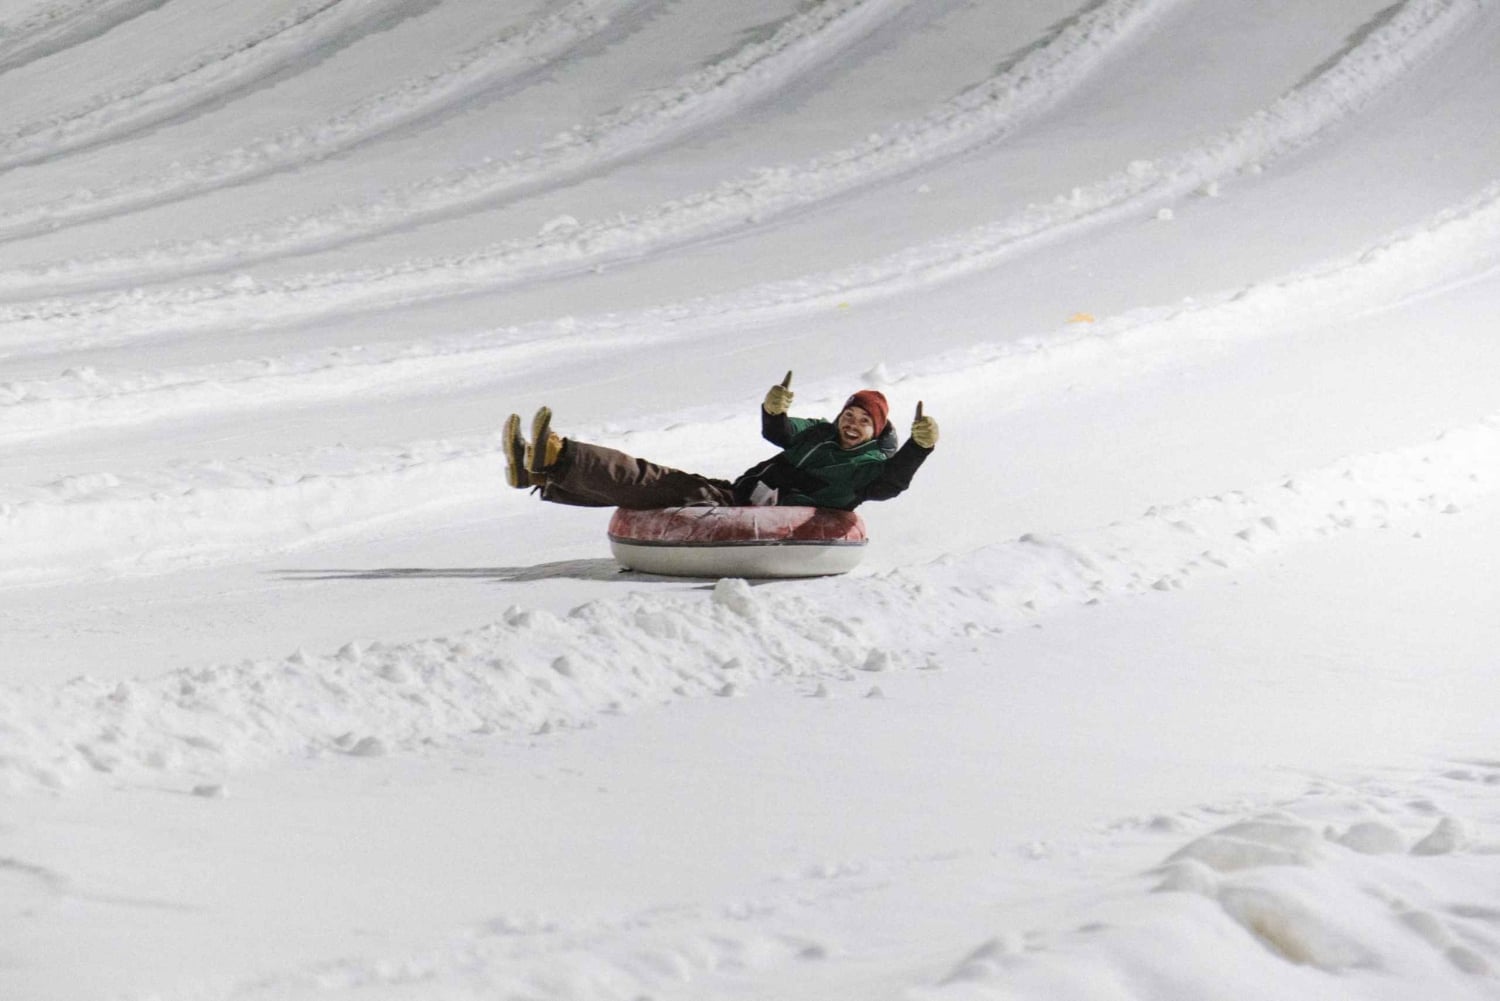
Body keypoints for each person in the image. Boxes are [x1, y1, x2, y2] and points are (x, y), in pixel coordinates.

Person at [502, 374, 938, 511]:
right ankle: (539, 470)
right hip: (741, 496)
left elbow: (891, 484)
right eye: (850, 414)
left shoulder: (869, 466)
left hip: (763, 515)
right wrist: (775, 408)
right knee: (658, 487)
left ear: (876, 431)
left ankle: (560, 456)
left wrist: (918, 448)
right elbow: (779, 432)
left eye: (864, 422)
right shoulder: (822, 432)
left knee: (658, 484)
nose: (852, 424)